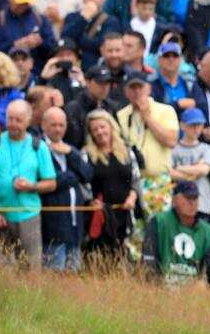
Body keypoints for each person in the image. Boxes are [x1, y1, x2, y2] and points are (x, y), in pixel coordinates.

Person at [0, 99, 56, 268]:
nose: (13, 124)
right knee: (0, 269)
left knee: (31, 268)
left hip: (29, 216)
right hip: (0, 218)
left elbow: (51, 183)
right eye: (10, 119)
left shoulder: (39, 146)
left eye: (19, 120)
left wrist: (31, 187)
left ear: (28, 121)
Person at [117, 69, 180, 218]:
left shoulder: (165, 110)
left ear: (148, 88)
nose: (136, 92)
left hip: (157, 180)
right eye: (132, 88)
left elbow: (171, 141)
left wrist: (148, 118)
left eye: (140, 87)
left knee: (158, 229)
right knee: (136, 235)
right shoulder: (121, 115)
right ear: (125, 91)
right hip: (132, 184)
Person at [38, 107, 92, 271]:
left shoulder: (69, 149)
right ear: (43, 125)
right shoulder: (38, 147)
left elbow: (88, 173)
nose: (58, 129)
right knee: (54, 275)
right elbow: (48, 180)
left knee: (73, 277)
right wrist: (73, 177)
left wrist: (70, 153)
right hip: (53, 225)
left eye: (61, 125)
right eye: (53, 125)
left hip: (74, 226)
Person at [83, 109, 140, 262]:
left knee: (124, 256)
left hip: (125, 213)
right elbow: (84, 184)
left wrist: (132, 197)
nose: (100, 132)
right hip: (101, 216)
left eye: (102, 127)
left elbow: (136, 179)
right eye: (95, 129)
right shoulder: (86, 155)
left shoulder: (127, 151)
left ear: (111, 127)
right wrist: (91, 201)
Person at [142, 180, 210, 286]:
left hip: (193, 294)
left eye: (195, 198)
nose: (192, 203)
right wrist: (157, 287)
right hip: (161, 289)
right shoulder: (159, 222)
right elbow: (148, 261)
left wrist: (203, 283)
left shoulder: (207, 230)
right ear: (174, 200)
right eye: (187, 198)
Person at [0, 0, 57, 74]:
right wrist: (14, 45)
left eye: (25, 2)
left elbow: (53, 49)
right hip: (6, 74)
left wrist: (40, 42)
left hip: (36, 74)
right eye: (19, 1)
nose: (22, 5)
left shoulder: (41, 19)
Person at [60, 0, 121, 70]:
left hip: (98, 67)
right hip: (74, 67)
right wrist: (83, 18)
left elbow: (103, 44)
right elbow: (65, 38)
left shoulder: (110, 21)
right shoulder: (72, 17)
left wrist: (78, 40)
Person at [170, 107, 210, 219]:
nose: (195, 129)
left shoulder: (206, 148)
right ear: (182, 125)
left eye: (199, 125)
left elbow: (204, 170)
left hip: (202, 204)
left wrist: (180, 168)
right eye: (192, 125)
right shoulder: (173, 149)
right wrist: (196, 169)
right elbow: (170, 174)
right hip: (179, 205)